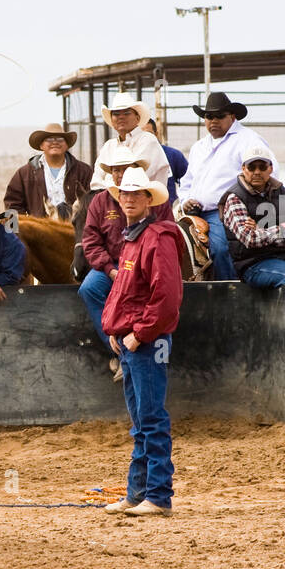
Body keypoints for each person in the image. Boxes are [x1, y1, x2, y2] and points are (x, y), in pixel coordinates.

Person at [100, 167, 183, 518]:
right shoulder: (135, 237)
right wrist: (116, 329)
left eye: (136, 193)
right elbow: (128, 292)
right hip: (135, 339)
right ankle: (139, 492)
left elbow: (166, 296)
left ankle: (158, 495)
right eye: (125, 193)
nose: (129, 198)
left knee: (149, 418)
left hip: (145, 341)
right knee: (142, 420)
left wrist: (137, 333)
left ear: (149, 199)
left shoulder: (156, 238)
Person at [78, 147, 173, 379]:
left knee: (153, 293)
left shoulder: (156, 202)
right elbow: (90, 241)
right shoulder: (100, 201)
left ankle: (140, 341)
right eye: (115, 170)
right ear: (110, 173)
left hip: (145, 265)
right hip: (111, 265)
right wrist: (109, 269)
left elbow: (167, 231)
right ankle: (118, 347)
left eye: (125, 169)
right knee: (89, 289)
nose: (120, 174)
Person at [178, 92, 271, 281]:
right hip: (192, 213)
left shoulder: (249, 140)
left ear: (232, 117)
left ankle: (230, 291)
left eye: (220, 116)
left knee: (220, 249)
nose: (214, 121)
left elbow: (268, 176)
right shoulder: (199, 147)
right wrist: (186, 200)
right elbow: (187, 182)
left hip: (226, 213)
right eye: (209, 116)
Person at [219, 144, 285, 288]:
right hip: (253, 264)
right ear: (243, 169)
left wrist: (260, 230)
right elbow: (250, 239)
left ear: (270, 168)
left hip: (284, 259)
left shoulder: (281, 192)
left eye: (262, 167)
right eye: (252, 167)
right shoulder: (235, 198)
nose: (257, 172)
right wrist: (282, 228)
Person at [3, 123, 93, 221]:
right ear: (41, 145)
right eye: (49, 139)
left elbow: (93, 203)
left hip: (75, 232)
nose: (55, 142)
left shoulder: (84, 171)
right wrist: (15, 233)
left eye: (60, 139)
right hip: (40, 233)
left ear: (67, 145)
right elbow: (11, 205)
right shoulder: (24, 173)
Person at [89, 94, 171, 190]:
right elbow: (95, 183)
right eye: (116, 114)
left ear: (137, 118)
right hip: (107, 201)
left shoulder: (148, 140)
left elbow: (135, 180)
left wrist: (107, 182)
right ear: (112, 119)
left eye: (127, 113)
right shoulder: (108, 146)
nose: (121, 117)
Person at [144, 118, 188, 203]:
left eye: (149, 134)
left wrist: (182, 202)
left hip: (168, 210)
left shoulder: (173, 155)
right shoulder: (131, 158)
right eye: (141, 135)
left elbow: (188, 180)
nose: (145, 139)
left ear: (156, 134)